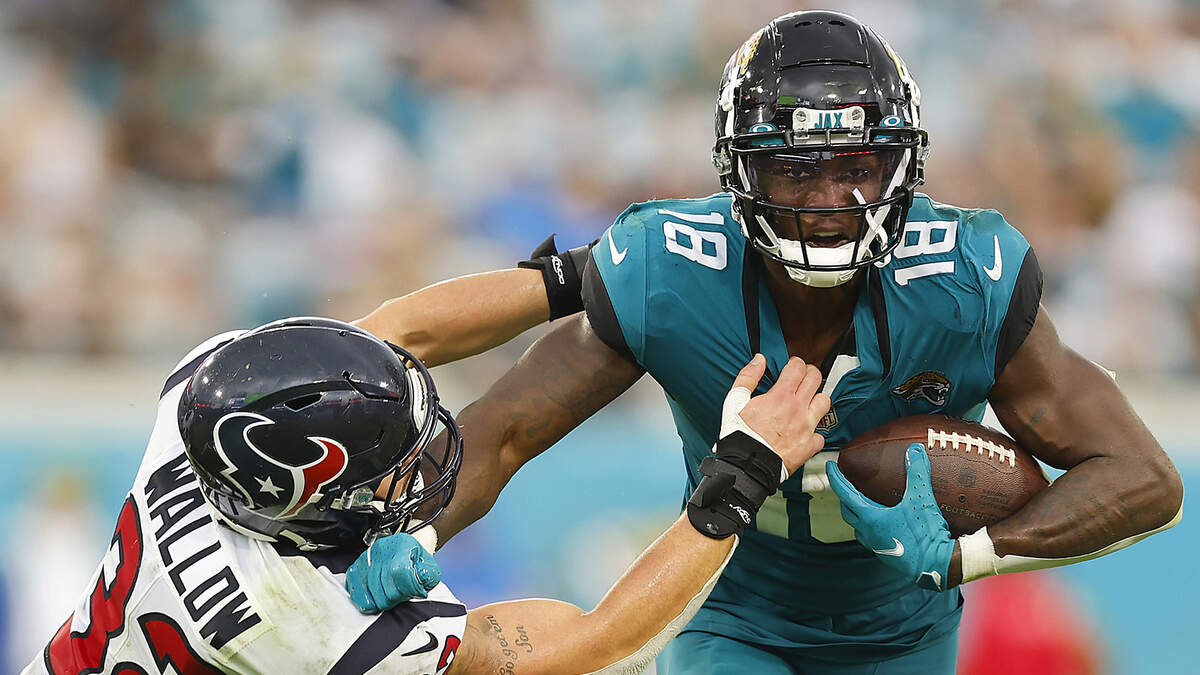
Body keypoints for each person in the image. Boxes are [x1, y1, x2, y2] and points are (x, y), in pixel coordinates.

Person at [360, 10, 1184, 674]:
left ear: (902, 166)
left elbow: (1144, 477)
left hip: (903, 632)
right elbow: (505, 429)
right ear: (741, 172)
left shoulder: (969, 276)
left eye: (858, 164)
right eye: (796, 168)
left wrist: (975, 551)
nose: (830, 200)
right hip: (727, 610)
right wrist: (415, 528)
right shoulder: (672, 268)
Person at [25, 311, 831, 675]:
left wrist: (574, 276)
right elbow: (596, 647)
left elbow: (392, 327)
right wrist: (742, 475)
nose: (421, 470)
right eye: (392, 470)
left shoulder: (202, 416)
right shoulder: (314, 627)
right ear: (319, 505)